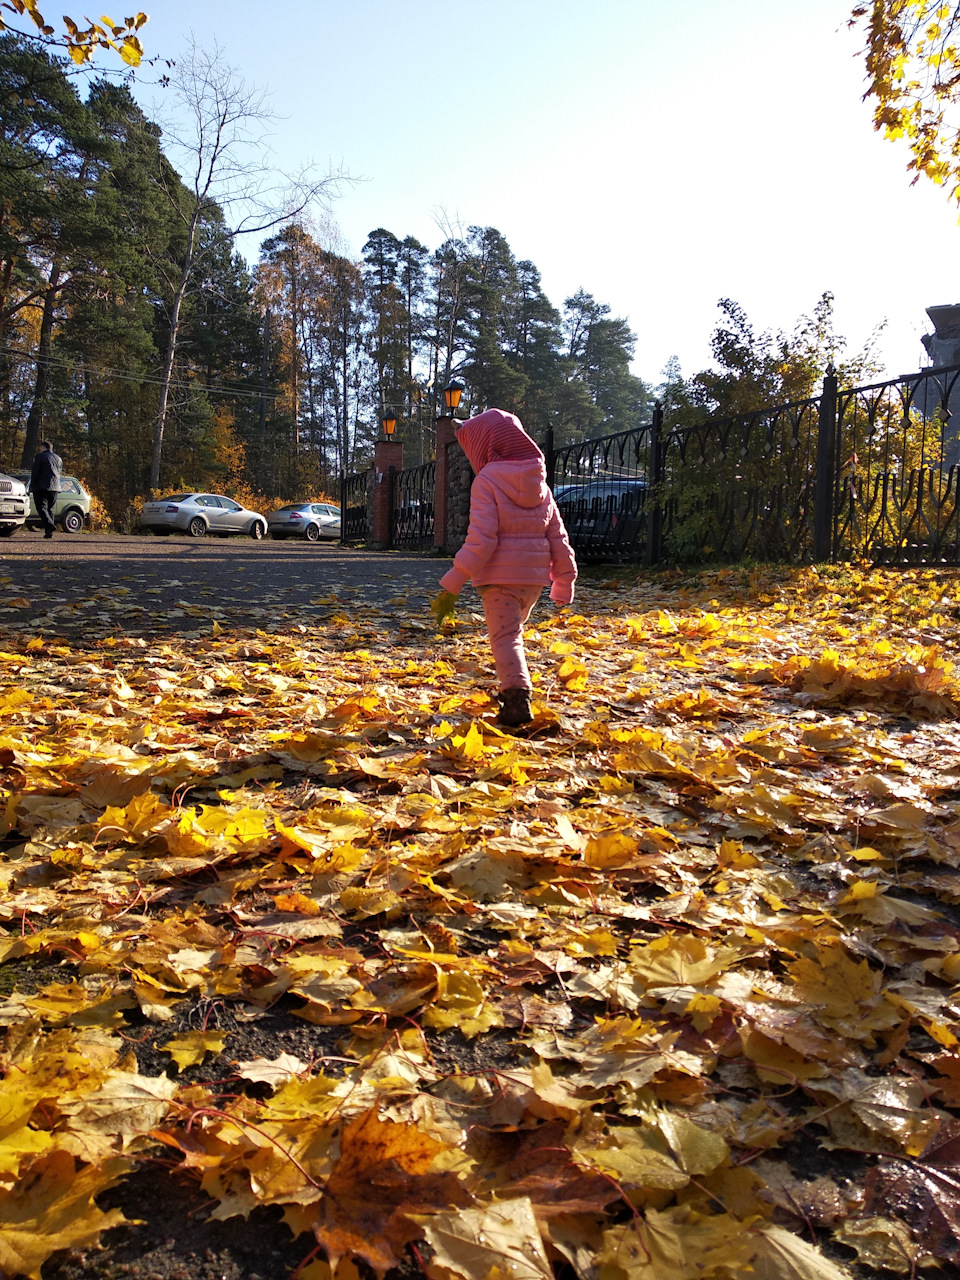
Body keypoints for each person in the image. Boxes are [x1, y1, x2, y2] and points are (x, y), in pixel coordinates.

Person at [433, 407, 578, 728]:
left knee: (506, 638)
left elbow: (482, 539)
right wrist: (564, 580)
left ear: (484, 448)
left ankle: (516, 696)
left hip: (498, 580)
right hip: (533, 582)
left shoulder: (486, 481)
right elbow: (558, 535)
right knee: (513, 633)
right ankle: (513, 684)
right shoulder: (540, 485)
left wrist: (455, 577)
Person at [30, 440, 62, 539]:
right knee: (50, 509)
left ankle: (49, 525)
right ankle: (49, 533)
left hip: (42, 486)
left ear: (43, 447)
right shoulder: (58, 458)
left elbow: (35, 472)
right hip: (55, 486)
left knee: (41, 507)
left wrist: (32, 485)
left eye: (40, 447)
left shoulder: (40, 457)